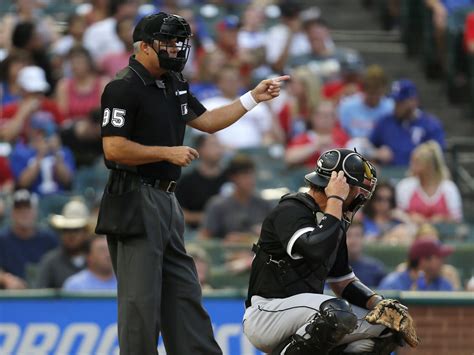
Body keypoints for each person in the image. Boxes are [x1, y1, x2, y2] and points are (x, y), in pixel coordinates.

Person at [95, 12, 289, 355]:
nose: (174, 48)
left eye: (177, 42)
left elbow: (209, 121)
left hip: (167, 200)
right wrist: (166, 152)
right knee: (140, 301)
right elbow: (113, 147)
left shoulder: (172, 82)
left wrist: (252, 97)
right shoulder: (123, 87)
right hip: (135, 197)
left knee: (184, 291)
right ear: (143, 47)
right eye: (166, 42)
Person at [243, 148, 414, 354]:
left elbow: (343, 282)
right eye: (358, 188)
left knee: (388, 328)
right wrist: (336, 199)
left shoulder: (333, 221)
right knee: (336, 312)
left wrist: (378, 302)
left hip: (308, 315)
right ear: (340, 184)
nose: (361, 196)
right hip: (268, 313)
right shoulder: (291, 209)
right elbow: (316, 250)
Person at [369, 79, 445, 166]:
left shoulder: (430, 125)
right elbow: (367, 146)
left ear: (414, 101)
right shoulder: (385, 122)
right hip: (388, 176)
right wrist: (376, 153)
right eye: (395, 102)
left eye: (400, 102)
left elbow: (437, 157)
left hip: (418, 177)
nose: (396, 106)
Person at [199, 154, 272, 241]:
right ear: (233, 177)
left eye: (252, 174)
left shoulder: (264, 204)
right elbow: (204, 239)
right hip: (227, 252)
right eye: (245, 175)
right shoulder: (217, 205)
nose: (250, 179)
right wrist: (225, 241)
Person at [0, 189, 57, 288]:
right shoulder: (2, 239)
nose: (24, 213)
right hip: (12, 296)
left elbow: (60, 264)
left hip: (44, 295)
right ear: (12, 213)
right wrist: (5, 279)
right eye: (19, 209)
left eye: (27, 209)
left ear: (35, 212)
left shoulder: (48, 239)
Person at [396, 140, 463, 223]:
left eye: (416, 162)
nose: (411, 165)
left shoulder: (449, 188)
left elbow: (457, 219)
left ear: (429, 166)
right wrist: (409, 217)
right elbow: (397, 214)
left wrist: (443, 219)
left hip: (442, 235)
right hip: (411, 233)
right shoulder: (405, 186)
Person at [175, 134, 226, 230]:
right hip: (196, 233)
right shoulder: (187, 181)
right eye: (213, 145)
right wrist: (208, 217)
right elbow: (179, 212)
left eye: (219, 145)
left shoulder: (229, 177)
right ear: (200, 150)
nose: (218, 149)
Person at [35, 199, 90, 288]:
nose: (71, 235)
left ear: (86, 232)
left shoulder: (97, 261)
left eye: (76, 230)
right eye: (66, 230)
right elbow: (40, 297)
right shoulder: (50, 262)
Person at [378, 238, 454, 291]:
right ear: (423, 261)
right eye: (439, 257)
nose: (443, 261)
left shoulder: (443, 284)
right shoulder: (392, 285)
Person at [346, 220, 387, 287]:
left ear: (363, 238)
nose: (353, 240)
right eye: (348, 235)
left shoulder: (375, 269)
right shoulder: (334, 268)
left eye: (357, 235)